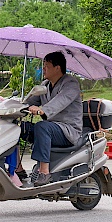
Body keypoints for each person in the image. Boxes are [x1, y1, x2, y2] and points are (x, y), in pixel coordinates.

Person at [25, 51, 82, 187]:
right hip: (51, 130)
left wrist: (42, 110)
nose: (43, 68)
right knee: (21, 128)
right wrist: (7, 103)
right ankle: (18, 170)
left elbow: (60, 101)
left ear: (57, 68)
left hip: (67, 131)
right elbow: (28, 101)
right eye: (43, 65)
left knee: (42, 126)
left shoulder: (71, 84)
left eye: (46, 66)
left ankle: (44, 172)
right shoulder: (45, 85)